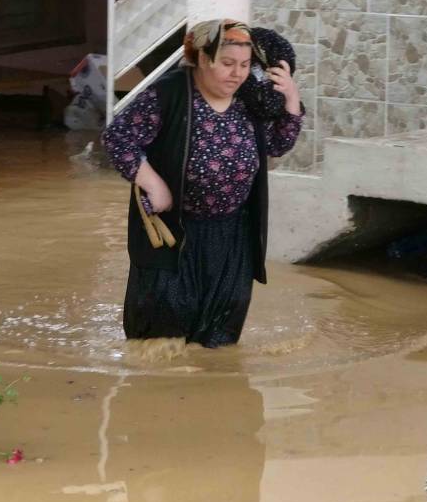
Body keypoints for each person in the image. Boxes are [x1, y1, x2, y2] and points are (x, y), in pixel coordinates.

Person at [101, 19, 303, 348]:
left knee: (220, 339)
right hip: (173, 233)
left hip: (232, 235)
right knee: (160, 340)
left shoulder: (248, 99)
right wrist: (153, 183)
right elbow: (118, 139)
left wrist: (291, 100)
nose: (237, 74)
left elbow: (277, 145)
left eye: (244, 65)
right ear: (201, 59)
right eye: (226, 64)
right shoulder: (168, 94)